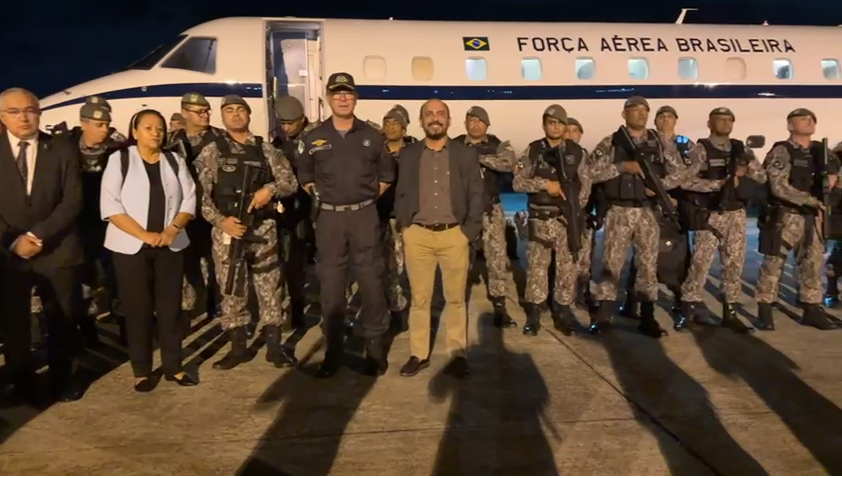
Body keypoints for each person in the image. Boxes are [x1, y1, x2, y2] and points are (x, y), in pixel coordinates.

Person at [297, 73, 394, 378]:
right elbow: (305, 178)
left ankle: (375, 347)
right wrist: (328, 200)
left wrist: (363, 201)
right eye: (337, 93)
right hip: (330, 220)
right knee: (331, 285)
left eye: (348, 93)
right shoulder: (312, 137)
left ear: (355, 98)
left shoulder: (373, 136)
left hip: (364, 217)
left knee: (371, 281)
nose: (342, 98)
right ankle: (334, 350)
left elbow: (386, 177)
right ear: (328, 98)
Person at [195, 94, 299, 370]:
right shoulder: (212, 152)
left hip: (263, 229)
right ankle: (238, 347)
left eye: (240, 109)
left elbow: (289, 182)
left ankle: (275, 347)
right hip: (229, 231)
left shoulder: (266, 150)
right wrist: (221, 221)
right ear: (222, 116)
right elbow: (200, 196)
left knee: (271, 287)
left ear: (249, 114)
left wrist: (270, 190)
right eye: (229, 110)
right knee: (231, 287)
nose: (236, 114)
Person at [101, 109, 198, 391]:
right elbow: (110, 205)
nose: (156, 133)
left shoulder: (174, 160)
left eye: (160, 128)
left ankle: (173, 366)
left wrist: (172, 229)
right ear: (135, 132)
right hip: (131, 247)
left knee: (170, 310)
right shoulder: (120, 159)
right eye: (148, 128)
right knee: (138, 310)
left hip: (170, 244)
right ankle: (141, 370)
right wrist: (144, 235)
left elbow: (189, 198)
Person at [0, 87, 85, 402]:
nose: (23, 118)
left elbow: (73, 200)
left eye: (30, 110)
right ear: (2, 117)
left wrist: (38, 236)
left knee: (62, 319)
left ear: (39, 113)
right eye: (14, 112)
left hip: (57, 249)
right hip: (9, 253)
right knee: (14, 322)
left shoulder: (62, 149)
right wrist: (13, 241)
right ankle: (21, 382)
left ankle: (62, 380)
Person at [588, 96, 698, 338]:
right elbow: (590, 172)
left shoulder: (659, 142)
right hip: (619, 210)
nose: (640, 114)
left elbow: (681, 171)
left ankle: (647, 317)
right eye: (635, 109)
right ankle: (604, 316)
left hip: (648, 211)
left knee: (648, 265)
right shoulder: (612, 141)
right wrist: (621, 167)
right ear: (624, 113)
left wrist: (659, 186)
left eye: (645, 110)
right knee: (611, 264)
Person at [395, 98, 484, 380]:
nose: (435, 118)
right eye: (429, 114)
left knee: (455, 299)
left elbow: (476, 194)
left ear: (448, 120)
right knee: (420, 299)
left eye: (440, 113)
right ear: (421, 121)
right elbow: (401, 191)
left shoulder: (464, 154)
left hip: (453, 235)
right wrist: (405, 227)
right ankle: (418, 354)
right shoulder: (409, 154)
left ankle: (457, 355)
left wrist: (468, 232)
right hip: (418, 235)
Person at [678, 107, 764, 333]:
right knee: (700, 263)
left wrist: (745, 172)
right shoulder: (700, 150)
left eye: (729, 120)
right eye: (720, 120)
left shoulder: (741, 149)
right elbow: (685, 181)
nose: (725, 124)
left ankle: (730, 312)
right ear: (710, 123)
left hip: (736, 214)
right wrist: (718, 185)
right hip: (710, 214)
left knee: (734, 264)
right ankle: (688, 309)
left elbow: (762, 176)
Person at [755, 108, 841, 330]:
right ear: (790, 126)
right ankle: (765, 309)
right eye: (802, 119)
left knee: (812, 263)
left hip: (812, 217)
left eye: (812, 118)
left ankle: (811, 308)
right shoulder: (782, 151)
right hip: (786, 215)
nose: (809, 121)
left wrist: (832, 181)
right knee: (774, 263)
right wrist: (810, 200)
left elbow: (834, 174)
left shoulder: (820, 151)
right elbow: (778, 186)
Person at [514, 104, 591, 336]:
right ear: (544, 125)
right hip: (540, 217)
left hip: (565, 219)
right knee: (537, 268)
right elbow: (518, 182)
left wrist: (574, 209)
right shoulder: (534, 150)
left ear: (565, 126)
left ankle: (563, 314)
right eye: (551, 122)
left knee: (567, 269)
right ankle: (534, 315)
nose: (555, 127)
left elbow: (586, 186)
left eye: (559, 123)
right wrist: (545, 185)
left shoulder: (577, 153)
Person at [620, 105, 693, 319]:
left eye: (670, 116)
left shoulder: (685, 145)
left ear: (676, 120)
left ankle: (680, 300)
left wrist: (667, 193)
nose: (665, 120)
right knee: (642, 256)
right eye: (661, 116)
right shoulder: (648, 142)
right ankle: (632, 301)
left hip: (673, 208)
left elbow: (690, 172)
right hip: (649, 206)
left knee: (677, 256)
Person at [453, 106, 518, 328]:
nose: (475, 124)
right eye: (471, 120)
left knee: (496, 259)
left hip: (491, 210)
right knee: (460, 259)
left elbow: (507, 162)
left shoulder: (498, 145)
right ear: (465, 124)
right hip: (463, 211)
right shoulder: (455, 145)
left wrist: (477, 157)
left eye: (480, 121)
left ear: (487, 125)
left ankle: (500, 306)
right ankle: (457, 304)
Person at [166, 93, 224, 319]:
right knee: (184, 263)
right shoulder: (171, 141)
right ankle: (187, 309)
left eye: (207, 111)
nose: (205, 115)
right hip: (183, 213)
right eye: (199, 112)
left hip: (214, 211)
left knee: (216, 263)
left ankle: (215, 303)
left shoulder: (220, 138)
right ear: (185, 113)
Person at [272, 95, 318, 328]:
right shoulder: (279, 142)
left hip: (318, 209)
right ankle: (297, 309)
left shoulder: (317, 136)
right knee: (292, 261)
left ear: (302, 119)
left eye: (291, 123)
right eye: (283, 123)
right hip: (292, 212)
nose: (286, 128)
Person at [379, 105, 416, 331]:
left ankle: (407, 309)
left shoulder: (415, 154)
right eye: (387, 123)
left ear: (404, 127)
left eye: (395, 123)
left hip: (408, 219)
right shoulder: (376, 152)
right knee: (388, 268)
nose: (391, 127)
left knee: (410, 269)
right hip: (382, 218)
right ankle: (395, 311)